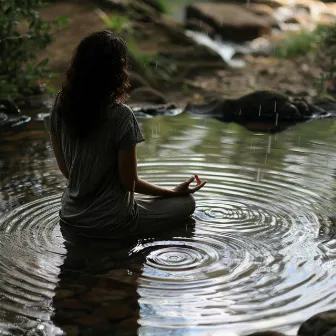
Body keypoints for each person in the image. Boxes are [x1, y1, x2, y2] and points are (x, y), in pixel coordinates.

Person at [45, 31, 206, 242]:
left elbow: (68, 172)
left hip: (70, 217)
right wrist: (173, 192)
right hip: (112, 222)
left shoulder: (60, 105)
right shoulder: (121, 116)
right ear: (116, 71)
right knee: (187, 203)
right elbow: (129, 183)